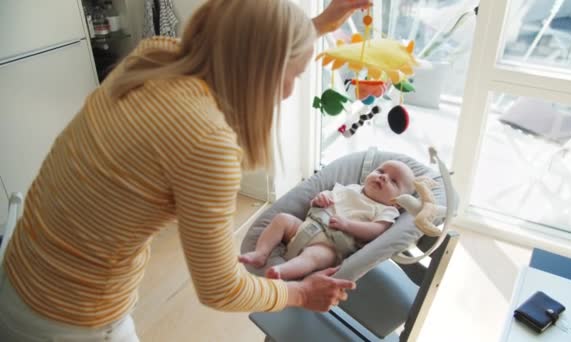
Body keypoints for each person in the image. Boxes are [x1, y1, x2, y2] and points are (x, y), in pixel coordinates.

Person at [0, 0, 372, 341]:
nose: (289, 91)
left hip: (20, 270)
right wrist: (299, 293)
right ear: (262, 71)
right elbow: (219, 288)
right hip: (66, 317)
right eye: (292, 74)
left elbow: (243, 45)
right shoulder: (208, 142)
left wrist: (319, 25)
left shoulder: (153, 57)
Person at [239, 160, 415, 280]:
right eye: (380, 171)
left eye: (393, 181)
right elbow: (327, 196)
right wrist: (320, 199)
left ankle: (281, 271)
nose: (383, 177)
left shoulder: (387, 210)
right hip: (307, 225)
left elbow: (377, 230)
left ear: (399, 202)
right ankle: (261, 254)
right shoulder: (352, 188)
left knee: (314, 256)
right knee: (281, 219)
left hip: (331, 246)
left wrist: (348, 225)